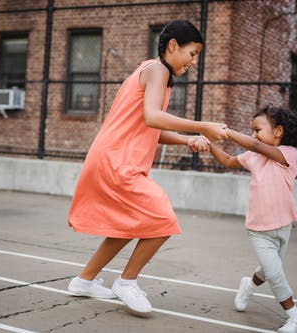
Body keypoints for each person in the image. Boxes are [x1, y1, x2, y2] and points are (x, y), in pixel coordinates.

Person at [67, 19, 227, 314]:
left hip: (113, 157)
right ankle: (127, 282)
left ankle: (84, 280)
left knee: (129, 224)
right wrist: (203, 126)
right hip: (117, 161)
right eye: (193, 54)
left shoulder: (154, 72)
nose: (194, 62)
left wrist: (187, 140)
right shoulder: (156, 70)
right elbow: (153, 117)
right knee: (162, 218)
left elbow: (149, 125)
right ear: (173, 46)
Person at [208, 105, 297, 333]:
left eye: (257, 129)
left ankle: (248, 285)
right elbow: (227, 161)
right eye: (251, 131)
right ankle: (295, 318)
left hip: (283, 225)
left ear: (278, 131)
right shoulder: (253, 157)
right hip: (258, 228)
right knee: (274, 273)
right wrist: (210, 145)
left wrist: (226, 131)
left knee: (267, 270)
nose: (253, 135)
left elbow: (254, 144)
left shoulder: (288, 154)